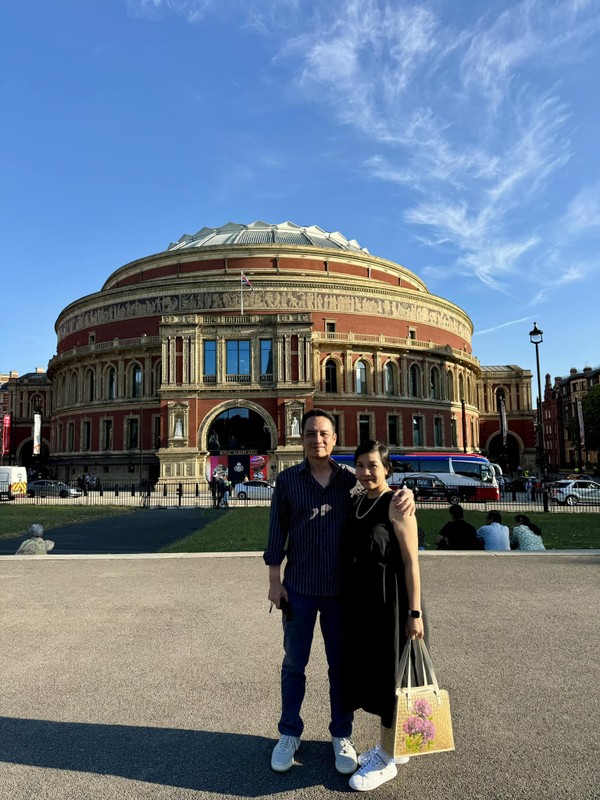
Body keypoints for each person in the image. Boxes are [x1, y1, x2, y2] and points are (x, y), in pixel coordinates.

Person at [264, 409, 415, 776]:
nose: (318, 439)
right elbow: (276, 531)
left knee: (341, 668)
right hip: (298, 587)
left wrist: (405, 492)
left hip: (340, 593)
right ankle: (289, 733)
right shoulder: (286, 481)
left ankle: (341, 734)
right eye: (311, 433)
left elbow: (381, 493)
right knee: (293, 665)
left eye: (324, 433)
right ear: (302, 439)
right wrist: (274, 580)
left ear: (334, 439)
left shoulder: (350, 481)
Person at [342, 440, 424, 792]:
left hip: (393, 603)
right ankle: (395, 745)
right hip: (365, 603)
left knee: (391, 675)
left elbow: (411, 563)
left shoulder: (397, 504)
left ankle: (387, 758)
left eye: (373, 465)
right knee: (376, 674)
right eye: (360, 465)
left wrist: (414, 613)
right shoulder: (359, 500)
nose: (365, 471)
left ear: (387, 469)